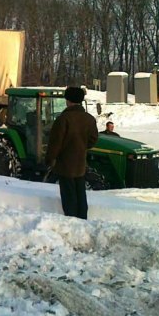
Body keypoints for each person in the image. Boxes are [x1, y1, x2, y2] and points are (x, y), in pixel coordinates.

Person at [45, 86, 98, 220]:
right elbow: (93, 140)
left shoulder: (63, 119)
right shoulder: (89, 119)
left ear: (68, 100)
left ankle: (71, 220)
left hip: (65, 164)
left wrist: (50, 159)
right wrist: (80, 147)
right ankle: (82, 219)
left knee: (68, 195)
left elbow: (55, 143)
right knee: (80, 192)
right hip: (80, 163)